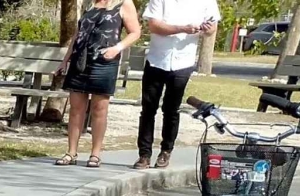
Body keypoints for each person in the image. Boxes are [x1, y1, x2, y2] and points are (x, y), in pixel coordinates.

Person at [56, 0, 141, 168]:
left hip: (104, 62)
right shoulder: (89, 4)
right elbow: (78, 34)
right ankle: (71, 152)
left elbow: (135, 32)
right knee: (76, 109)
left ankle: (95, 153)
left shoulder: (123, 3)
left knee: (99, 109)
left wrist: (117, 48)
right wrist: (65, 60)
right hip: (80, 60)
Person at [135, 0, 219, 168]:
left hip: (183, 61)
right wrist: (182, 28)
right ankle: (144, 154)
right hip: (157, 59)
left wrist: (209, 30)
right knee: (148, 108)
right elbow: (154, 25)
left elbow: (213, 27)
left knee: (171, 108)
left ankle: (166, 150)